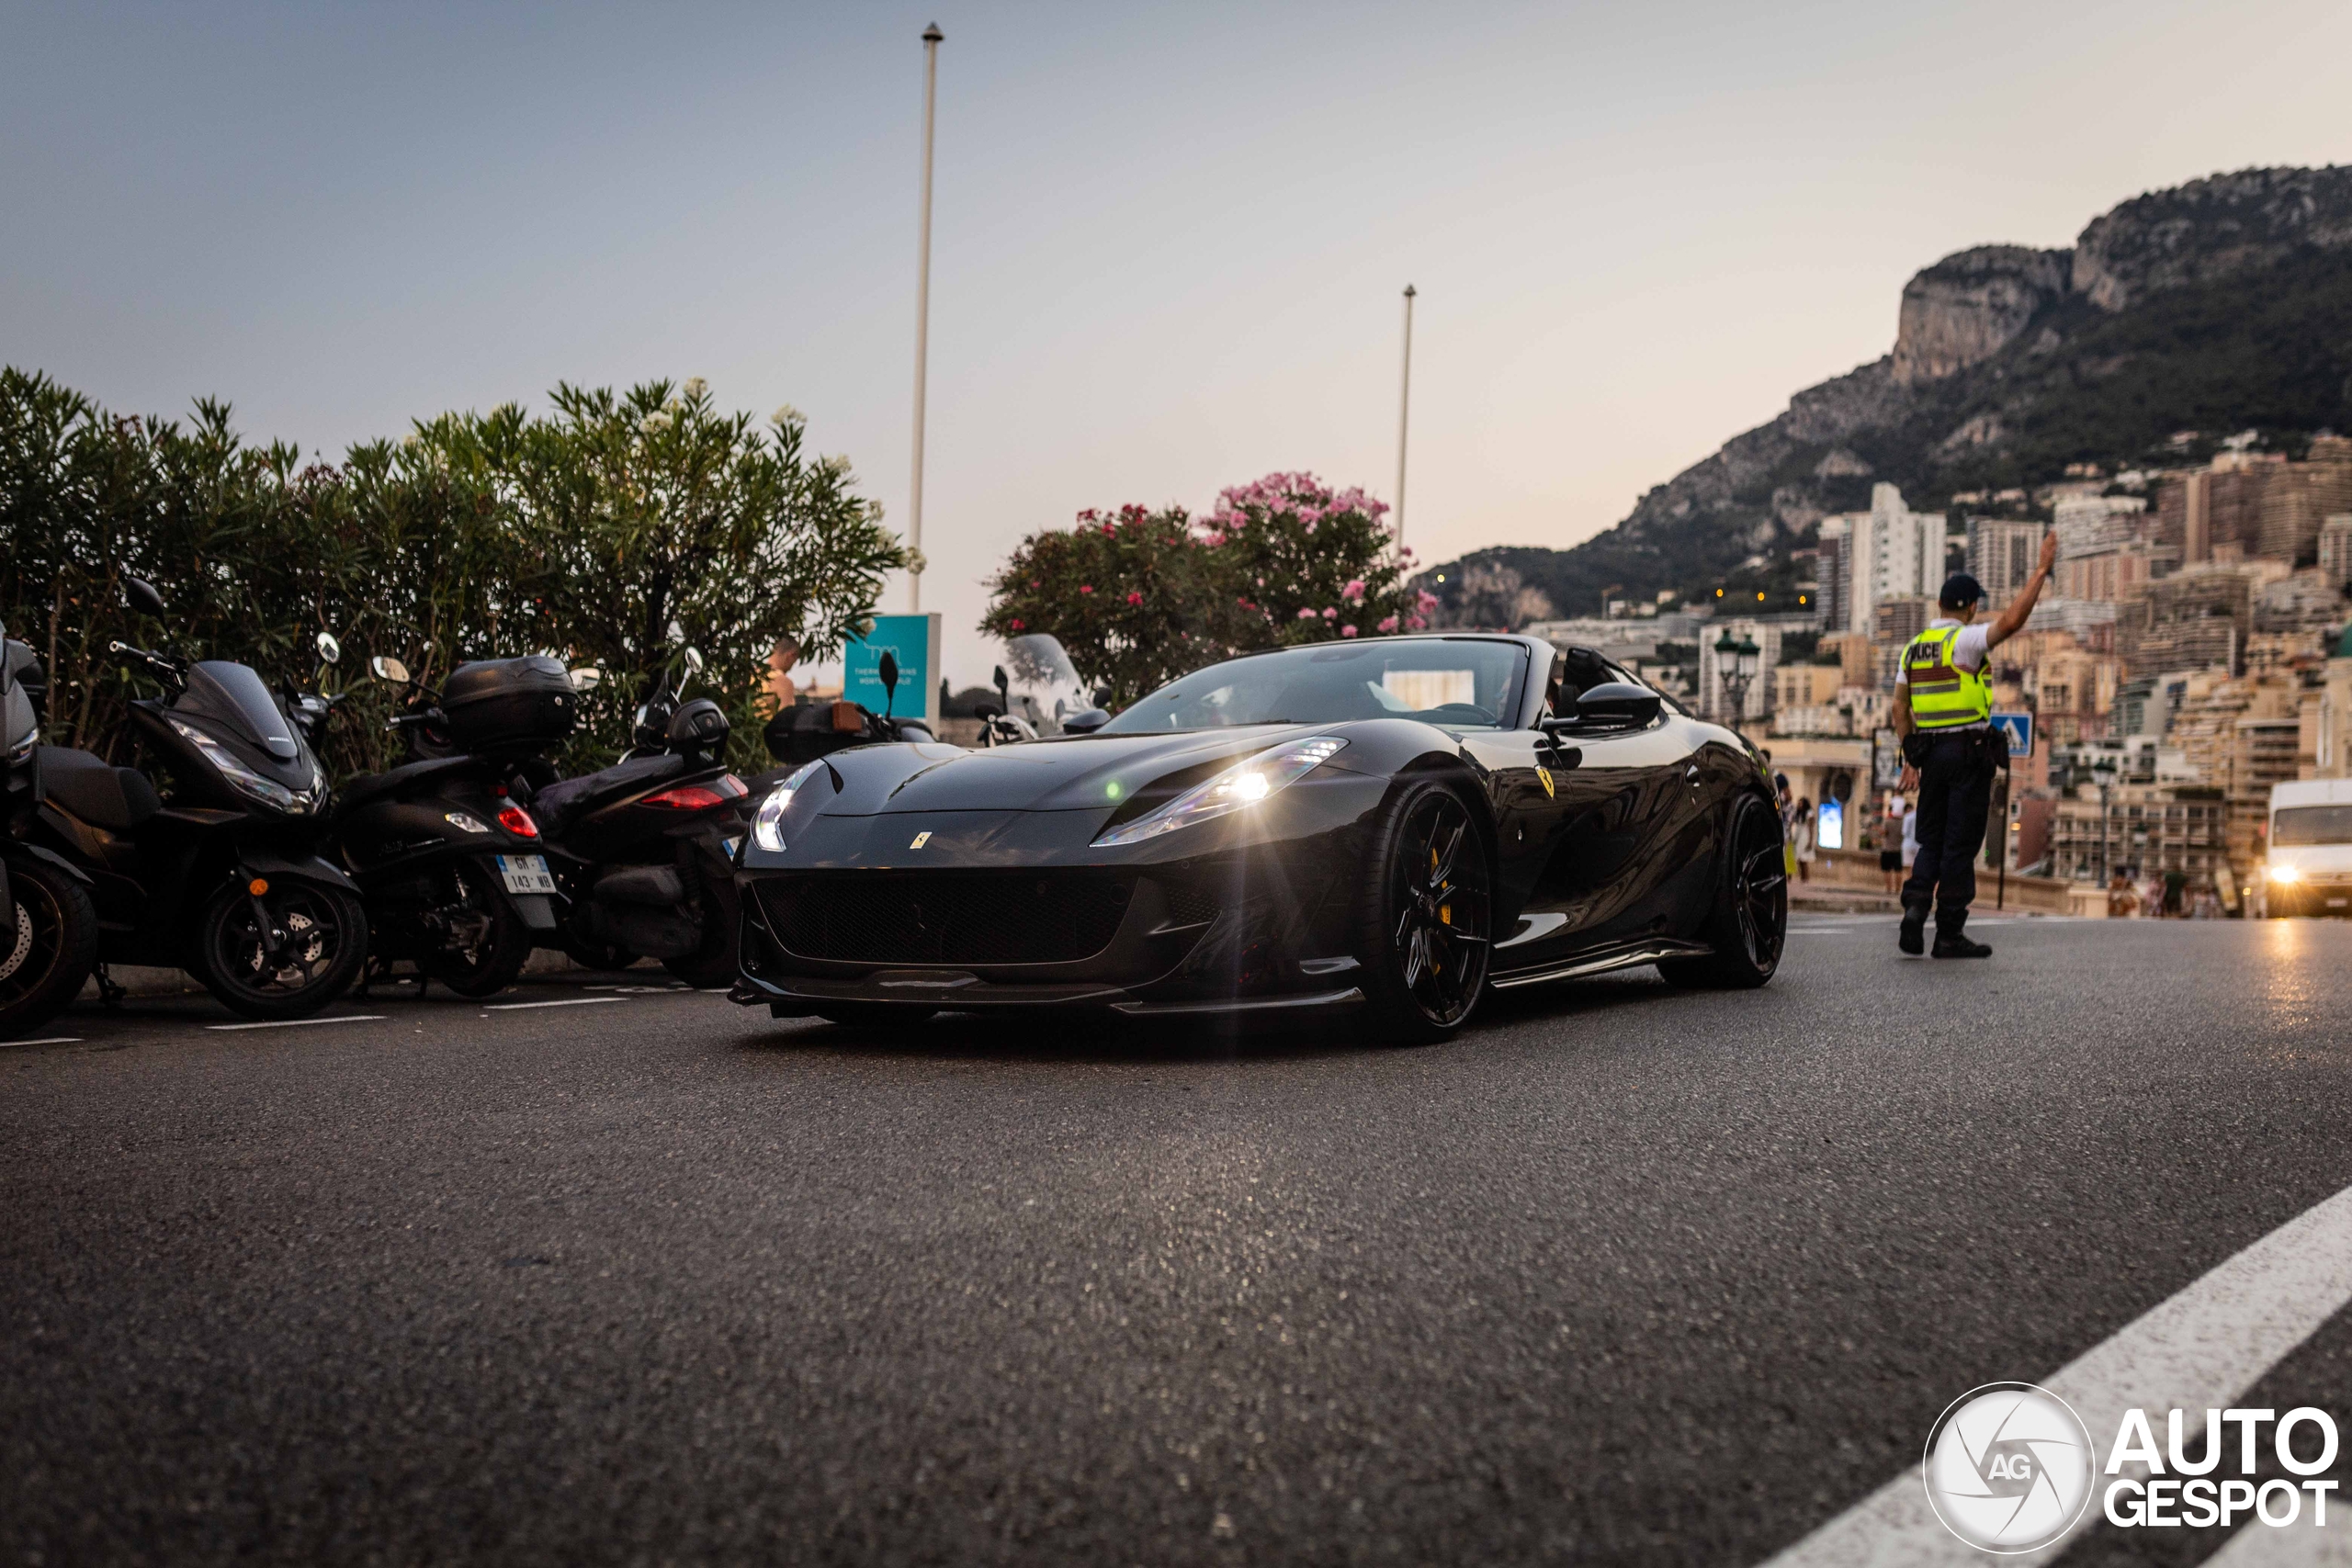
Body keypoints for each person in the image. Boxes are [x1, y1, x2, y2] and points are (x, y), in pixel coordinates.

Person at [1894, 532, 2057, 957]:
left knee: (1930, 840)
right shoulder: (1963, 641)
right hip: (1966, 754)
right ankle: (1948, 934)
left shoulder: (1912, 650)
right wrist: (2041, 571)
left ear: (1938, 606)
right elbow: (2013, 622)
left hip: (1930, 755)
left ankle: (1914, 908)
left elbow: (1899, 707)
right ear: (1970, 607)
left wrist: (1910, 755)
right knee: (1960, 844)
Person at [1881, 796, 1914, 893]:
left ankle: (1889, 888)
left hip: (1887, 848)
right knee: (1898, 870)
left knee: (1887, 870)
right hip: (1899, 849)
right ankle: (1898, 889)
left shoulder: (1887, 821)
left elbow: (1883, 833)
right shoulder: (1904, 822)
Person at [1792, 799, 1815, 882]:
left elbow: (1811, 828)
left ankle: (1806, 878)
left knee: (1804, 859)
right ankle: (1803, 877)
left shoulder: (1809, 813)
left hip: (1805, 837)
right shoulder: (1798, 814)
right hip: (1799, 838)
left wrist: (1810, 841)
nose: (1799, 805)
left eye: (1801, 803)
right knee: (1799, 859)